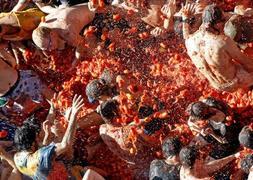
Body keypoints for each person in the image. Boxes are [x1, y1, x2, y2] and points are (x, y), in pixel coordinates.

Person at [13, 94, 91, 179]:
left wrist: (52, 109)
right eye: (38, 137)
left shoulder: (17, 157)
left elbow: (40, 149)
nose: (40, 138)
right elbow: (65, 144)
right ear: (33, 143)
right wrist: (74, 115)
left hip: (48, 172)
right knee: (84, 170)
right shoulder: (40, 157)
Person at [182, 3, 253, 92]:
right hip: (233, 83)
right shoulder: (222, 41)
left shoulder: (189, 41)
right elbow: (247, 64)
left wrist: (185, 18)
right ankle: (247, 89)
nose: (224, 23)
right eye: (223, 21)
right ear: (216, 24)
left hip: (215, 85)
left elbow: (185, 35)